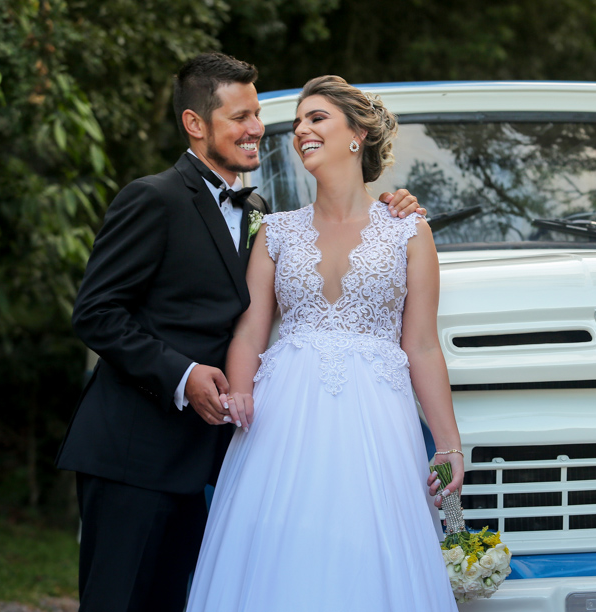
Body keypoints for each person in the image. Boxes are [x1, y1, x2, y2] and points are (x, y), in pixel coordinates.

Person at [56, 54, 425, 612]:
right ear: (195, 124)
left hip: (202, 459)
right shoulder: (152, 197)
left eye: (257, 114)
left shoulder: (259, 211)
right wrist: (182, 374)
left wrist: (395, 203)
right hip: (133, 454)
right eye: (240, 117)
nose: (257, 128)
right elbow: (96, 312)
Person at [184, 75, 463, 610]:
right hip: (281, 418)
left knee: (370, 546)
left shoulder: (408, 230)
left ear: (358, 134)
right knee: (282, 548)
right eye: (298, 123)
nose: (301, 131)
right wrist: (239, 392)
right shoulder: (275, 230)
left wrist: (448, 446)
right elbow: (250, 329)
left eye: (317, 118)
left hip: (377, 420)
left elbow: (423, 346)